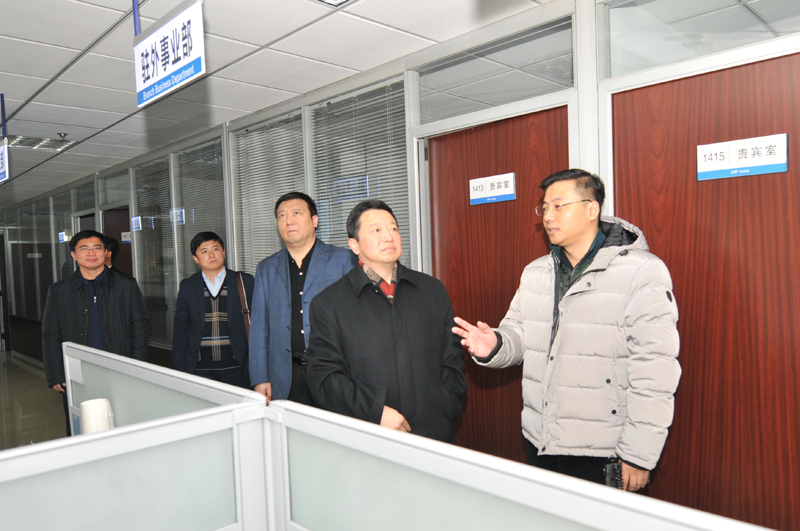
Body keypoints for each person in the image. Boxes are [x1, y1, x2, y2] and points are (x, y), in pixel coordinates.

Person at [453, 169, 680, 490]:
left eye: (559, 206)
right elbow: (519, 335)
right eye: (544, 208)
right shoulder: (536, 273)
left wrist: (638, 454)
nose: (548, 216)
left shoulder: (641, 272)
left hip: (605, 449)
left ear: (591, 209)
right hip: (542, 440)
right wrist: (495, 345)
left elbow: (655, 370)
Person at [306, 199, 468, 443]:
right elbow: (324, 379)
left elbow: (452, 359)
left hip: (433, 434)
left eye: (393, 228)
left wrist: (445, 407)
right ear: (354, 245)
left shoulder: (431, 290)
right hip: (369, 437)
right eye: (376, 230)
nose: (388, 236)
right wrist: (375, 412)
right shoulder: (329, 304)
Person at [249, 192, 357, 404]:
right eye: (282, 215)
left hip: (334, 373)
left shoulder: (344, 260)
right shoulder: (266, 268)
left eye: (296, 213)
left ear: (315, 220)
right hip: (284, 376)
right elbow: (259, 329)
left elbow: (356, 322)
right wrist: (260, 377)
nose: (288, 220)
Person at [42, 229, 149, 435]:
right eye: (84, 249)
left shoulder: (126, 285)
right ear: (73, 254)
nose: (91, 253)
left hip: (119, 368)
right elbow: (50, 334)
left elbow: (140, 329)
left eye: (97, 248)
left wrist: (139, 369)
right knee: (81, 426)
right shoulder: (59, 290)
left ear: (106, 252)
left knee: (123, 424)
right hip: (77, 371)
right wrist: (56, 373)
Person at [172, 232, 254, 389]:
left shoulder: (244, 282)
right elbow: (180, 331)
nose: (211, 255)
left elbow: (258, 325)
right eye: (204, 251)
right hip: (199, 369)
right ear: (195, 258)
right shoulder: (188, 286)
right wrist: (178, 371)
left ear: (223, 252)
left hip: (238, 368)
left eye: (215, 249)